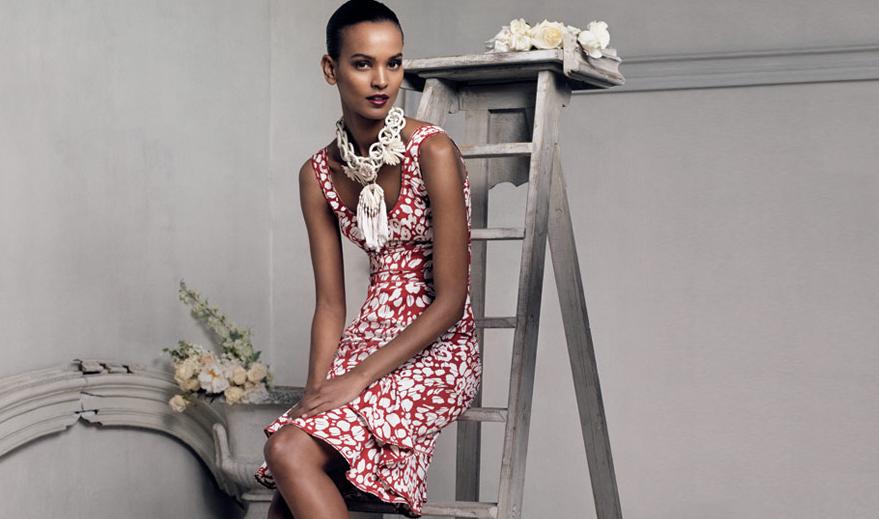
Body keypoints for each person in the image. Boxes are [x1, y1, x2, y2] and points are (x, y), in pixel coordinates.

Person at [253, 1, 482, 518]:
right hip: (366, 342)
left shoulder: (432, 151)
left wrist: (355, 380)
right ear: (330, 68)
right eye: (362, 64)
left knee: (288, 453)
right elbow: (330, 305)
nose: (382, 80)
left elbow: (451, 301)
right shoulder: (317, 174)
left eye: (393, 63)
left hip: (438, 351)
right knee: (288, 477)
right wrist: (316, 392)